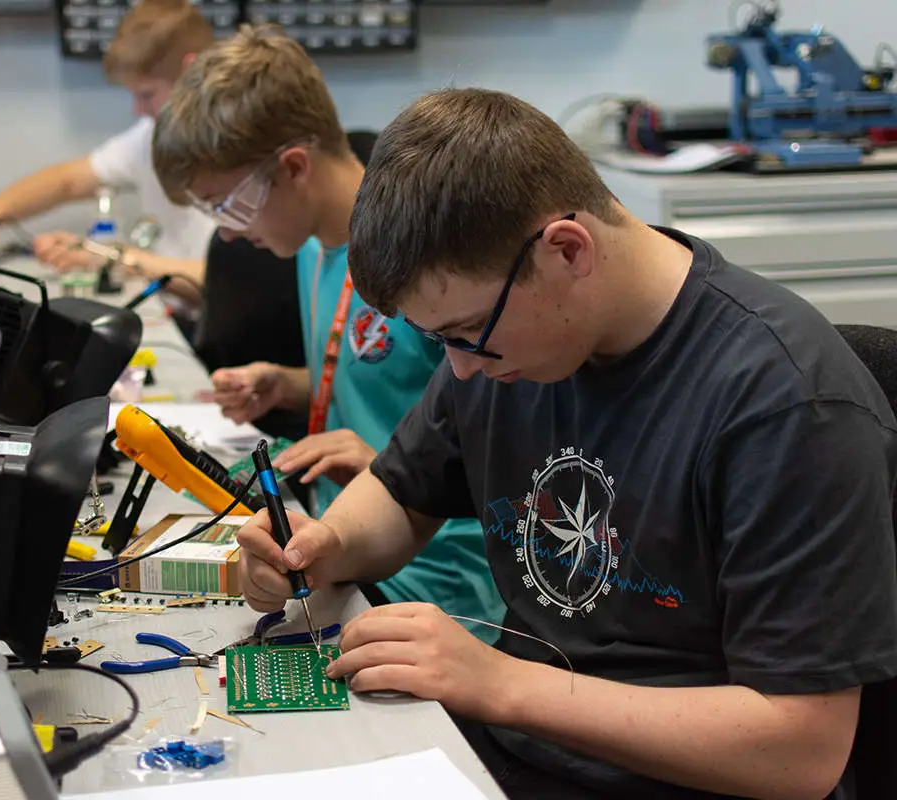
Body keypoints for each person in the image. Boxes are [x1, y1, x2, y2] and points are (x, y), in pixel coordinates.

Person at [233, 86, 897, 799]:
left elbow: (800, 751)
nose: (456, 369)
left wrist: (497, 682)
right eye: (438, 342)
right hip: (514, 754)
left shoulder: (786, 400)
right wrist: (324, 546)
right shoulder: (504, 344)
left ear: (568, 250)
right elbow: (404, 490)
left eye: (464, 337)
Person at [150, 27, 507, 639]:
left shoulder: (428, 265)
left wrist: (393, 475)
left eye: (229, 206)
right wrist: (288, 386)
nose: (227, 235)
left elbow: (508, 448)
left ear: (293, 167)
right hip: (344, 543)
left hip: (440, 575)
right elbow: (387, 379)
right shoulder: (312, 247)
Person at [0, 0, 215, 305]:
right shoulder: (151, 136)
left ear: (191, 70)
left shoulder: (234, 150)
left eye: (147, 94)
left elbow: (225, 279)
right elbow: (69, 181)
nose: (137, 109)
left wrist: (109, 257)